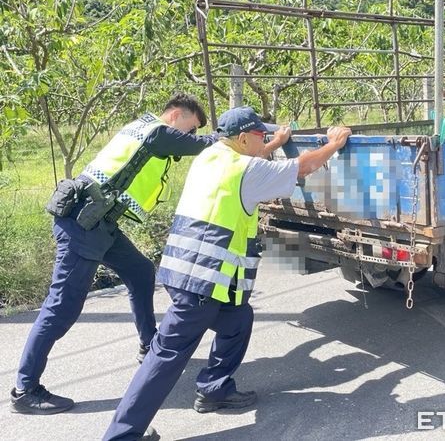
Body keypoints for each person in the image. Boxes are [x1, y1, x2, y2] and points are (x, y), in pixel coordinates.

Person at [103, 106, 351, 441]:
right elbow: (302, 166)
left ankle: (215, 389)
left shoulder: (210, 156)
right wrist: (333, 144)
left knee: (237, 320)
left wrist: (274, 142)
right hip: (202, 283)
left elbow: (252, 159)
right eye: (260, 135)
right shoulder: (245, 170)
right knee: (165, 358)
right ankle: (121, 435)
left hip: (190, 274)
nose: (263, 140)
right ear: (243, 137)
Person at [10, 93, 217, 415]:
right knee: (60, 309)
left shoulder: (144, 129)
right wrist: (231, 135)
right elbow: (201, 145)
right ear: (176, 115)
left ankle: (149, 342)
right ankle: (25, 389)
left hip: (98, 223)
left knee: (140, 271)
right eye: (190, 128)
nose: (189, 136)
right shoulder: (156, 132)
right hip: (83, 224)